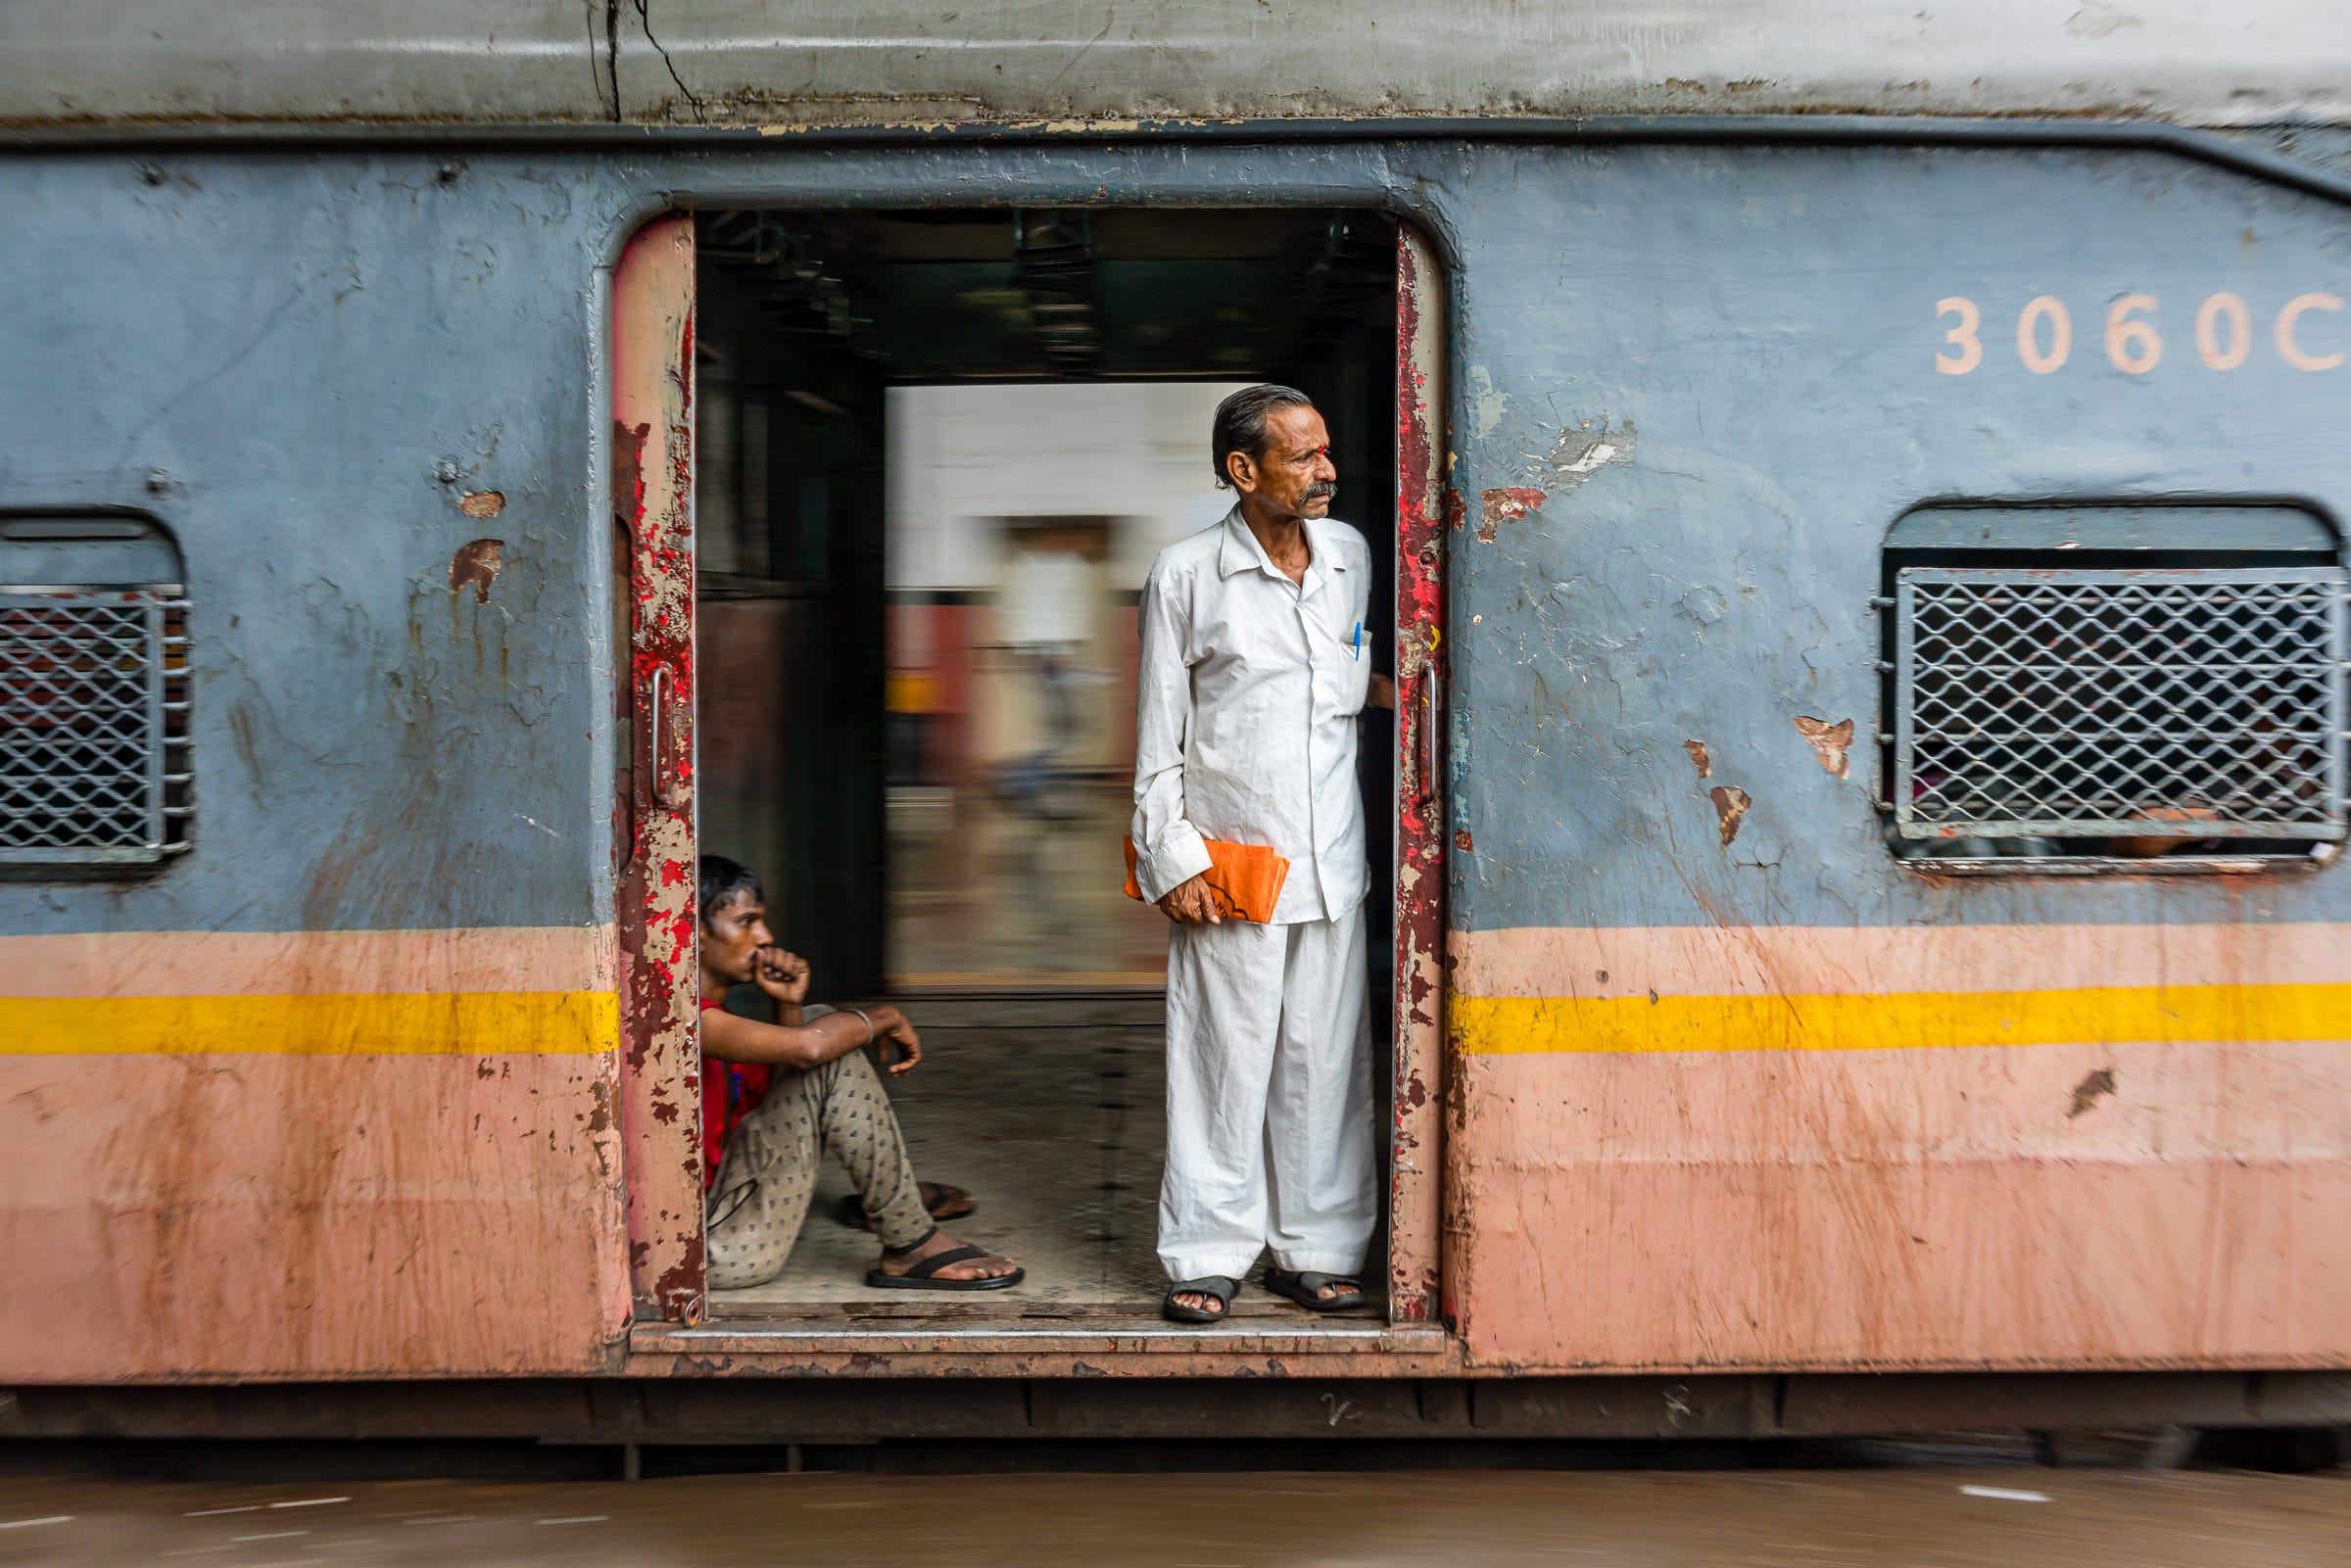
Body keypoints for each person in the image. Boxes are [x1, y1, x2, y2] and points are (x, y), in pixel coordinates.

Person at [1129, 385, 1394, 1324]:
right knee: (1221, 1061)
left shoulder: (1351, 555)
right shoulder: (1188, 574)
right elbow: (1159, 735)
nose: (1328, 470)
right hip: (1232, 863)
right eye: (1304, 456)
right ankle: (1207, 1251)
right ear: (1243, 471)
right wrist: (1172, 857)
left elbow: (1346, 682)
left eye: (1327, 451)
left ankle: (1314, 1247)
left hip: (1332, 860)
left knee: (1324, 1063)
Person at [696, 855, 1022, 1292]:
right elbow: (810, 1051)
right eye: (747, 921)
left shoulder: (718, 1017)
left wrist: (788, 1004)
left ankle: (888, 1196)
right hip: (713, 1250)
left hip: (729, 1208)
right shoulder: (681, 1017)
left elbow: (778, 1099)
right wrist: (880, 1018)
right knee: (831, 1044)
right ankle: (911, 1240)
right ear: (693, 931)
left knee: (817, 1020)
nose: (766, 937)